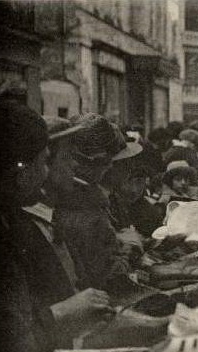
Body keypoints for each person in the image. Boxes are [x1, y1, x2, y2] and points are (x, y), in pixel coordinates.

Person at [0, 99, 112, 352]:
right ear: (20, 170)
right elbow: (5, 350)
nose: (47, 172)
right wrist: (62, 314)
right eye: (44, 161)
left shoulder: (2, 220)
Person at [53, 113, 143, 292]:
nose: (111, 166)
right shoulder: (83, 206)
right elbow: (109, 278)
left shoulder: (90, 199)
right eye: (106, 160)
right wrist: (130, 246)